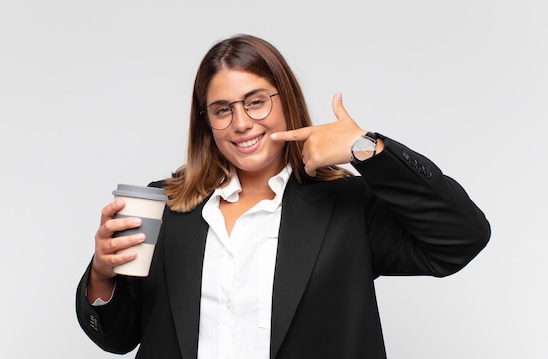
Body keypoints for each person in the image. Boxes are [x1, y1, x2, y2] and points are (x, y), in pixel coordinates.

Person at [75, 34, 490, 359]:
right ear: (207, 123)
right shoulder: (162, 206)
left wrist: (367, 148)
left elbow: (460, 238)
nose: (241, 123)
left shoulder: (347, 206)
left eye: (256, 102)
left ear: (286, 100)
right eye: (222, 110)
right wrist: (102, 274)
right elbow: (117, 338)